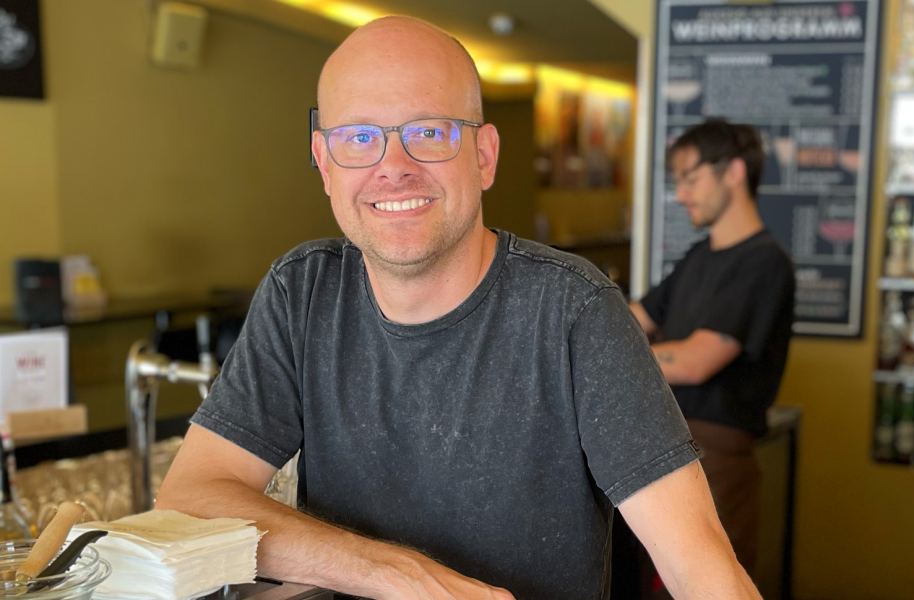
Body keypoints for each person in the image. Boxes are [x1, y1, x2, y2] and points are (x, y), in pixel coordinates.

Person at [156, 16, 760, 600]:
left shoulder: (573, 311)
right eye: (360, 138)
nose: (393, 167)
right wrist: (399, 575)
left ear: (485, 156)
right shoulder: (303, 293)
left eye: (428, 132)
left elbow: (700, 563)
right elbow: (193, 495)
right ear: (324, 163)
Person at [630, 119, 796, 573]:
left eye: (690, 178)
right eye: (677, 181)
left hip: (716, 458)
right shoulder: (698, 258)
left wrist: (614, 358)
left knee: (710, 581)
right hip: (662, 447)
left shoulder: (764, 264)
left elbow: (697, 361)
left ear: (734, 172)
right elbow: (631, 319)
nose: (681, 195)